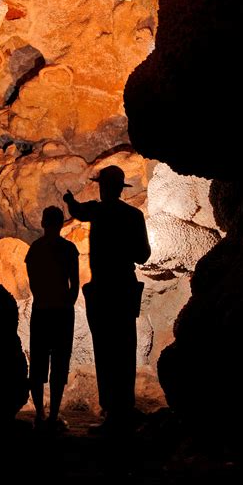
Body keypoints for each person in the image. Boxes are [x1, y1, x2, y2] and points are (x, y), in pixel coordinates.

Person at [63, 165, 151, 433]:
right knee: (125, 347)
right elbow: (143, 255)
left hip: (102, 290)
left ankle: (112, 410)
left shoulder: (97, 211)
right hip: (124, 289)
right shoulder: (134, 216)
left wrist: (69, 201)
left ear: (103, 187)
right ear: (120, 188)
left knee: (105, 349)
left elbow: (78, 211)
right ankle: (125, 407)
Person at [25, 206, 80, 431]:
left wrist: (43, 298)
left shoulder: (35, 249)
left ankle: (40, 414)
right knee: (59, 363)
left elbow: (33, 283)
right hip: (62, 312)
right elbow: (74, 283)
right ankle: (54, 416)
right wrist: (68, 303)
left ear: (42, 223)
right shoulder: (68, 248)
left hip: (41, 310)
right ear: (60, 224)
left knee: (37, 364)